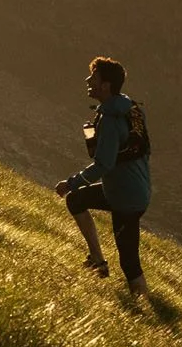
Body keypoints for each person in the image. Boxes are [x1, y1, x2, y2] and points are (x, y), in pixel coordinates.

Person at [55, 56, 151, 297]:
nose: (88, 80)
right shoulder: (129, 109)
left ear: (105, 85)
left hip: (126, 200)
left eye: (94, 77)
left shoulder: (110, 119)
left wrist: (71, 182)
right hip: (130, 190)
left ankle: (147, 314)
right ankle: (97, 261)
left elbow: (103, 164)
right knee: (76, 200)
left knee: (129, 263)